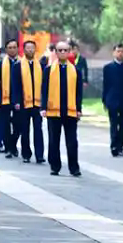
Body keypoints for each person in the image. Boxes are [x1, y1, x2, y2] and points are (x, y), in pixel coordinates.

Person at [41, 41, 83, 177]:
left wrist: (79, 109)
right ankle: (55, 166)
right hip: (53, 111)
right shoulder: (48, 70)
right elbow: (44, 90)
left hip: (70, 111)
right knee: (54, 141)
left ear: (69, 52)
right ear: (56, 52)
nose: (63, 53)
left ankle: (74, 168)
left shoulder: (75, 70)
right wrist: (43, 107)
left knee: (72, 142)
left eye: (65, 50)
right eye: (60, 50)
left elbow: (79, 92)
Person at [10, 40, 45, 162]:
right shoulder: (18, 65)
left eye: (32, 48)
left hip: (37, 103)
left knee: (38, 129)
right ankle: (26, 154)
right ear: (24, 50)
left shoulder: (41, 65)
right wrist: (16, 101)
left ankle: (39, 155)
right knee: (25, 130)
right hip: (23, 103)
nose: (30, 50)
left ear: (35, 49)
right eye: (28, 48)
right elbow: (15, 85)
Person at [0, 39, 18, 154]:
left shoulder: (21, 63)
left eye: (14, 47)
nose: (12, 50)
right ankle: (8, 147)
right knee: (5, 124)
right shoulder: (0, 64)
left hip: (18, 99)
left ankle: (13, 144)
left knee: (18, 125)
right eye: (10, 48)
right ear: (6, 49)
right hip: (4, 98)